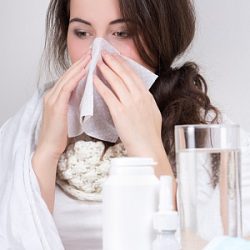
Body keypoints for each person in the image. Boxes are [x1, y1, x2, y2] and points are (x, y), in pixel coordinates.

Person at [0, 0, 249, 249]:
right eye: (82, 33)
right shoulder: (27, 127)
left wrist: (149, 150)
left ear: (159, 34)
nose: (98, 52)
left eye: (122, 33)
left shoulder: (213, 140)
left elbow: (215, 241)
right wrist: (46, 152)